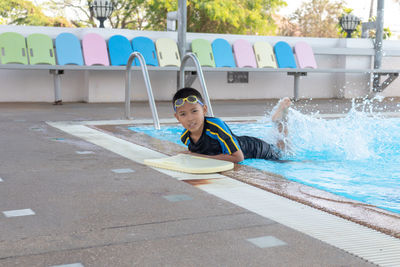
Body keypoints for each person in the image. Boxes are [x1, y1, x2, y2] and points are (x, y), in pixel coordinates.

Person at [173, 87, 291, 163]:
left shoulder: (216, 127)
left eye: (194, 111)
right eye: (183, 114)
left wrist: (199, 156)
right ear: (177, 118)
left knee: (282, 154)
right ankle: (280, 120)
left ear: (204, 110)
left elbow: (238, 158)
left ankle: (281, 119)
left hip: (257, 149)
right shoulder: (185, 137)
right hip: (241, 143)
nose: (190, 118)